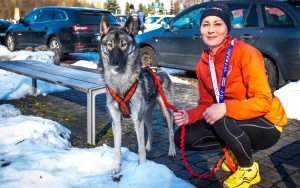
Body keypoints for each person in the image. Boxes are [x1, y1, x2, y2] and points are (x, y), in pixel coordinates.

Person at [173, 2, 287, 188]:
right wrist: (190, 116)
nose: (211, 30)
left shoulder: (245, 53)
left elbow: (264, 102)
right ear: (200, 29)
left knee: (220, 117)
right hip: (231, 118)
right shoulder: (203, 65)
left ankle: (249, 169)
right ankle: (236, 148)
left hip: (267, 122)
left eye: (217, 24)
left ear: (227, 28)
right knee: (182, 138)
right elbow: (206, 104)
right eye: (206, 24)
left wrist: (225, 107)